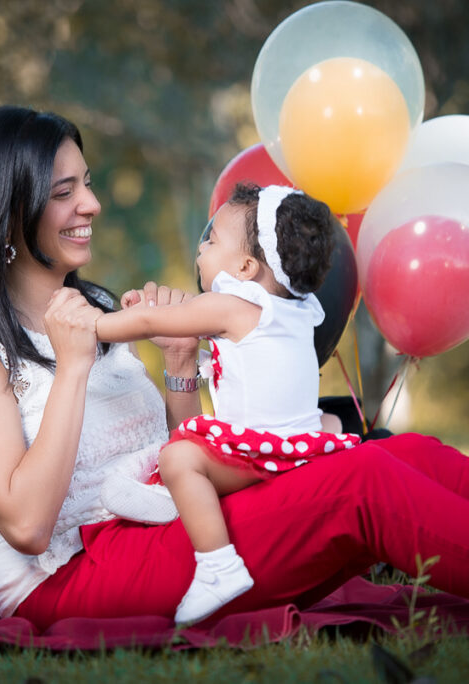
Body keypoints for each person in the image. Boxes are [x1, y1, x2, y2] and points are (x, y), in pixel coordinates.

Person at [0, 104, 469, 629]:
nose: (90, 203)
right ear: (6, 214)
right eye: (65, 192)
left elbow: (180, 454)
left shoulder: (87, 307)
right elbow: (24, 524)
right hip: (69, 581)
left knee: (408, 454)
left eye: (85, 182)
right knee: (368, 480)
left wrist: (181, 366)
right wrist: (78, 367)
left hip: (161, 530)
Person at [91, 182, 359, 624]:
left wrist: (95, 325)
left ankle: (218, 565)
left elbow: (148, 321)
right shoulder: (298, 308)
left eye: (211, 240)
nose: (201, 249)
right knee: (319, 419)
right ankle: (175, 502)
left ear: (246, 265)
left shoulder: (232, 306)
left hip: (262, 454)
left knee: (179, 458)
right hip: (305, 445)